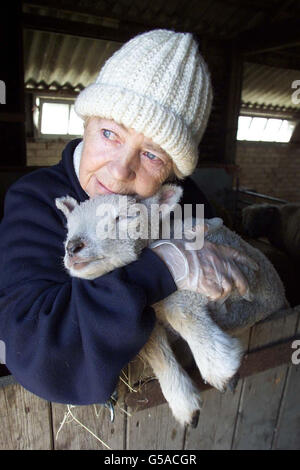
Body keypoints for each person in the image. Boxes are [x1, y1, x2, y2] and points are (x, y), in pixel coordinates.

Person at [0, 30, 255, 405]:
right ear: (85, 125)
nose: (120, 172)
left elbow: (218, 266)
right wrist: (164, 265)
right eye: (109, 133)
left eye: (152, 155)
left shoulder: (188, 201)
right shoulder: (34, 202)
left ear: (172, 175)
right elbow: (36, 353)